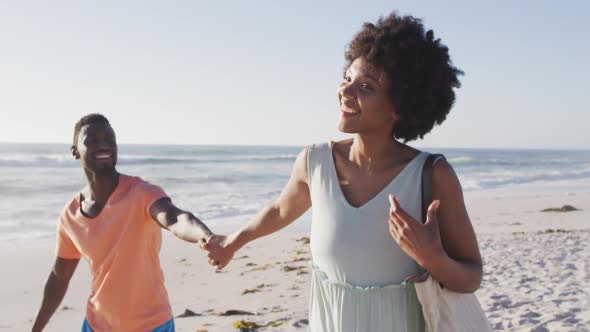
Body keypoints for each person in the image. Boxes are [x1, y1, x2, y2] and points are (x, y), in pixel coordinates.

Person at [203, 13, 483, 331]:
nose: (345, 92)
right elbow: (280, 209)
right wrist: (233, 242)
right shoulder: (315, 161)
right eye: (347, 78)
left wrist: (433, 257)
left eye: (366, 86)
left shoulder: (432, 175)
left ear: (400, 106)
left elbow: (471, 276)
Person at [31, 114, 213, 332]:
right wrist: (36, 329)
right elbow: (60, 277)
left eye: (109, 139)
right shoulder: (70, 215)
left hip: (151, 325)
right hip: (97, 325)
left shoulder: (141, 192)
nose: (103, 144)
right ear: (75, 151)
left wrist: (205, 236)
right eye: (93, 140)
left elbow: (175, 218)